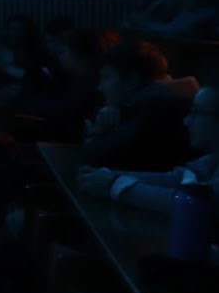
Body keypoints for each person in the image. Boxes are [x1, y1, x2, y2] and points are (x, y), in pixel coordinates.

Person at [78, 85, 219, 214]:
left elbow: (195, 204)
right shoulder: (210, 160)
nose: (186, 121)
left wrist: (113, 184)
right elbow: (177, 178)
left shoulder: (152, 106)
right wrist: (108, 175)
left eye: (196, 112)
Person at [83, 40, 196, 171]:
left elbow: (98, 157)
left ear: (132, 81)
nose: (100, 87)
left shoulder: (157, 110)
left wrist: (98, 133)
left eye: (106, 77)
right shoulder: (158, 101)